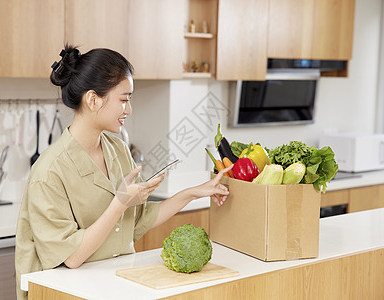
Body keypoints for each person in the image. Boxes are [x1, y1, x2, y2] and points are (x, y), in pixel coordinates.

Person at [14, 45, 232, 300]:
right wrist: (119, 202)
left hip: (112, 285)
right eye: (124, 99)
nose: (128, 109)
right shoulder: (49, 171)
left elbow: (137, 220)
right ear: (93, 99)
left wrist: (195, 193)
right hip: (63, 293)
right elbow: (71, 257)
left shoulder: (117, 149)